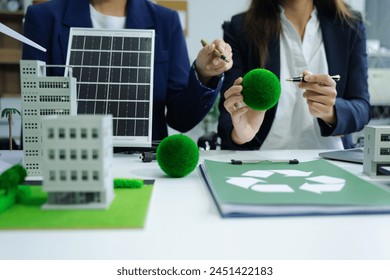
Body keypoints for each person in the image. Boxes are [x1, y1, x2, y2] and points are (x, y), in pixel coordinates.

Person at [22, 0, 232, 141]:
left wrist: (203, 75)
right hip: (65, 158)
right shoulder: (43, 17)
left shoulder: (165, 21)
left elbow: (180, 119)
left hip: (145, 164)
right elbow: (36, 108)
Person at [218, 0, 370, 150]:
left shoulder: (349, 25)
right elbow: (228, 115)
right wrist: (241, 134)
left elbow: (362, 109)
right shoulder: (241, 28)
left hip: (331, 160)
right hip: (261, 160)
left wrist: (331, 111)